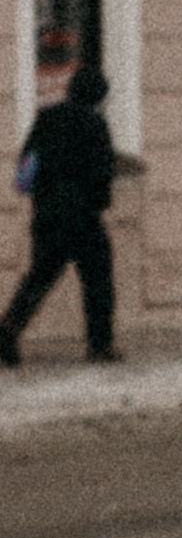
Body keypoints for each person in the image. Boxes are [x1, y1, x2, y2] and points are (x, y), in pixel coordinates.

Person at [1, 57, 118, 362]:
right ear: (97, 96)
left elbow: (27, 162)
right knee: (98, 279)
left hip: (48, 212)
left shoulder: (46, 118)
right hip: (82, 216)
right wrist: (99, 202)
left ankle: (9, 329)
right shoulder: (95, 124)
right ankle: (100, 344)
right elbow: (101, 172)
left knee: (40, 275)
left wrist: (37, 195)